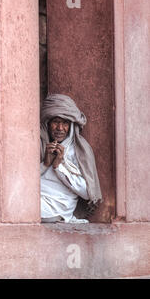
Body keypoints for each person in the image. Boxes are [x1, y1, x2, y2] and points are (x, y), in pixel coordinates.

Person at [40, 94, 102, 223]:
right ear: (48, 123)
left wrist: (58, 166)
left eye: (65, 123)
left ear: (71, 126)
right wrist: (45, 164)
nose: (60, 128)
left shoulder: (79, 150)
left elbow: (87, 192)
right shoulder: (41, 145)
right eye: (56, 122)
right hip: (35, 198)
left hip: (57, 208)